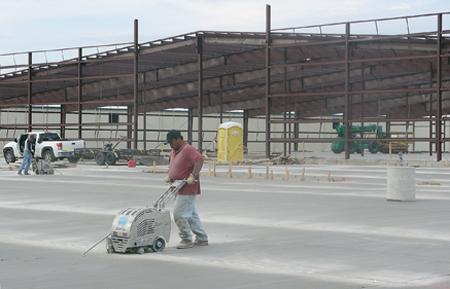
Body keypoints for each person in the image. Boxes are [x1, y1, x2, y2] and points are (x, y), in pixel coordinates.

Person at [164, 129, 208, 249]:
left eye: (172, 142)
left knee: (179, 214)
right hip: (177, 187)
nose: (171, 145)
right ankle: (202, 237)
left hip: (187, 187)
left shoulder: (187, 149)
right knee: (191, 214)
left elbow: (200, 159)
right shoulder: (175, 151)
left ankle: (186, 239)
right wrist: (170, 175)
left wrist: (193, 175)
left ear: (178, 139)